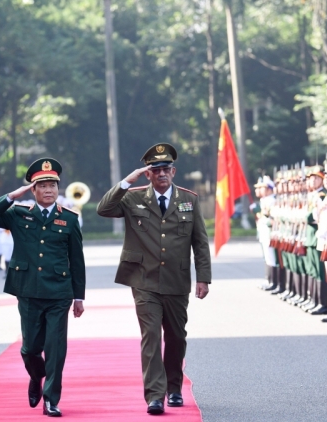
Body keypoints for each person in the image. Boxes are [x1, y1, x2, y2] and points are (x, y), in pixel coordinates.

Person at [96, 143, 211, 415]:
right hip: (143, 279)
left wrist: (203, 277)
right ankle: (155, 396)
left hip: (177, 279)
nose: (161, 174)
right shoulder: (133, 198)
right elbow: (103, 208)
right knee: (150, 337)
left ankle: (174, 388)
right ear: (148, 174)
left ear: (173, 171)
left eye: (166, 169)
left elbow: (200, 242)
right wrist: (126, 182)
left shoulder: (189, 199)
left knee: (175, 338)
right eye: (155, 170)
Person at [0, 158, 85, 418]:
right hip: (27, 291)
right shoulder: (18, 214)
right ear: (33, 189)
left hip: (59, 293)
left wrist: (79, 297)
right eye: (42, 185)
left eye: (53, 185)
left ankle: (51, 399)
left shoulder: (69, 220)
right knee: (30, 349)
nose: (49, 190)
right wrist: (14, 195)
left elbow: (77, 260)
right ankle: (36, 376)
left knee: (55, 348)